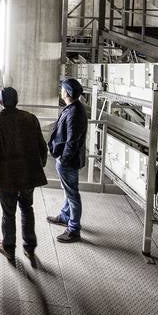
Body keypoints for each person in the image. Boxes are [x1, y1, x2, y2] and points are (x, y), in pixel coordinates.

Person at [0, 86, 48, 263]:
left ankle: (8, 248)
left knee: (8, 213)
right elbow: (42, 146)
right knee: (27, 208)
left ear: (0, 102)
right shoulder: (30, 119)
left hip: (7, 177)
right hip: (28, 175)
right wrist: (38, 166)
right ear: (17, 100)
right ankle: (30, 247)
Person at [47, 77, 88, 243]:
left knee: (72, 194)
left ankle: (74, 229)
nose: (61, 90)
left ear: (67, 92)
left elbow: (72, 140)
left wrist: (63, 159)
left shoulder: (74, 112)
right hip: (66, 159)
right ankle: (65, 216)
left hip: (68, 161)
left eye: (63, 88)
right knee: (68, 190)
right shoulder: (72, 108)